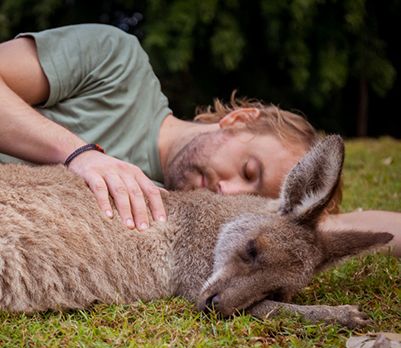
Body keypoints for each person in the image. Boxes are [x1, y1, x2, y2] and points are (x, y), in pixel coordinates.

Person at [0, 24, 400, 256]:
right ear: (240, 120)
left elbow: (332, 225)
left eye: (251, 195)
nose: (228, 192)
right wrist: (80, 154)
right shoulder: (117, 62)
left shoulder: (171, 210)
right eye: (248, 169)